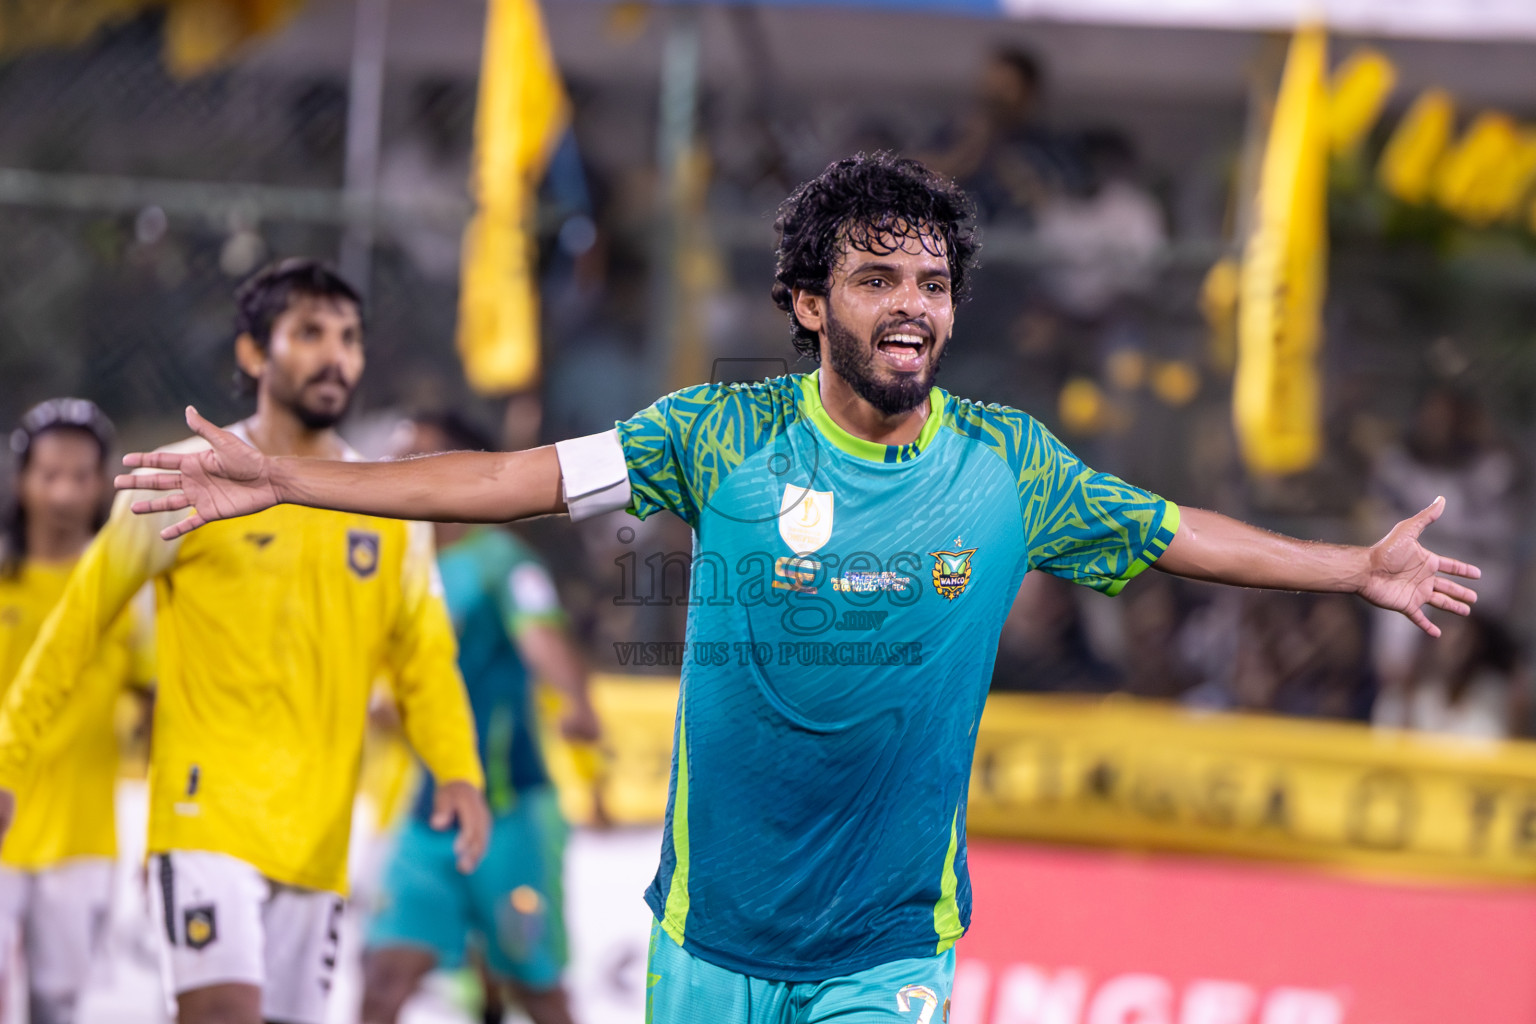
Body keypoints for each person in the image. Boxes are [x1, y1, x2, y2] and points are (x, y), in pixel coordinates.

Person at [113, 154, 1478, 1024]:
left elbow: (1180, 532)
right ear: (809, 303)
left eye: (932, 282)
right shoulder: (713, 436)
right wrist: (300, 481)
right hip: (706, 939)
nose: (912, 305)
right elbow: (510, 479)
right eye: (875, 275)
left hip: (891, 949)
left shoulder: (1012, 464)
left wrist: (1354, 567)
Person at [0, 259, 490, 1024]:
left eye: (351, 338)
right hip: (205, 814)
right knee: (223, 1012)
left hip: (319, 835)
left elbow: (423, 654)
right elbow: (77, 624)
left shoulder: (390, 508)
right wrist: (9, 755)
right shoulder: (182, 479)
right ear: (254, 354)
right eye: (310, 333)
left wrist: (459, 768)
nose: (337, 356)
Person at [362, 411, 601, 1024]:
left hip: (508, 814)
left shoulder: (502, 563)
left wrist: (573, 701)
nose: (403, 473)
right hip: (428, 813)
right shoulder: (395, 565)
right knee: (384, 977)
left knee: (535, 990)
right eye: (398, 456)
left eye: (421, 458)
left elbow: (541, 638)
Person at [0, 398, 153, 1024]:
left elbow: (157, 700)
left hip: (82, 836)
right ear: (22, 480)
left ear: (102, 483)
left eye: (81, 476)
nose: (64, 492)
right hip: (4, 828)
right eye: (50, 474)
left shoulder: (128, 590)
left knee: (55, 1007)